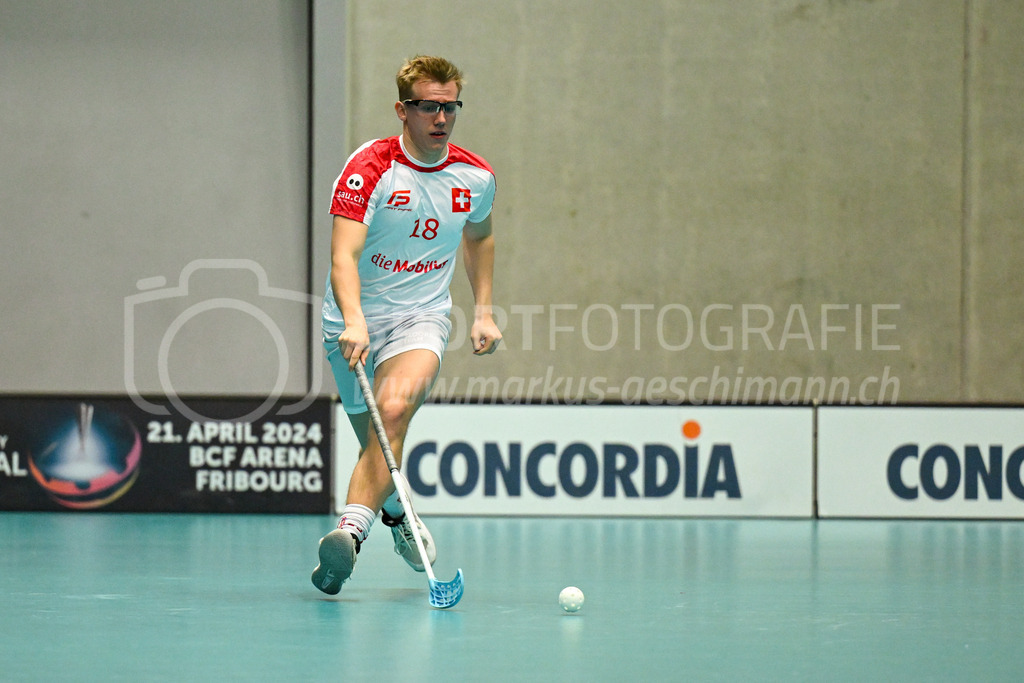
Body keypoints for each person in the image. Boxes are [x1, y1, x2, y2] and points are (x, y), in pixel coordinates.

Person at [312, 55, 501, 595]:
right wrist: (353, 320)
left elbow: (480, 236)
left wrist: (483, 310)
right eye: (428, 107)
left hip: (421, 319)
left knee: (392, 414)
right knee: (380, 443)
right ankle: (399, 518)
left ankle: (349, 535)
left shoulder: (476, 175)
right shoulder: (368, 168)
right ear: (403, 109)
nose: (441, 118)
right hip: (349, 324)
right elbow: (342, 256)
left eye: (450, 106)